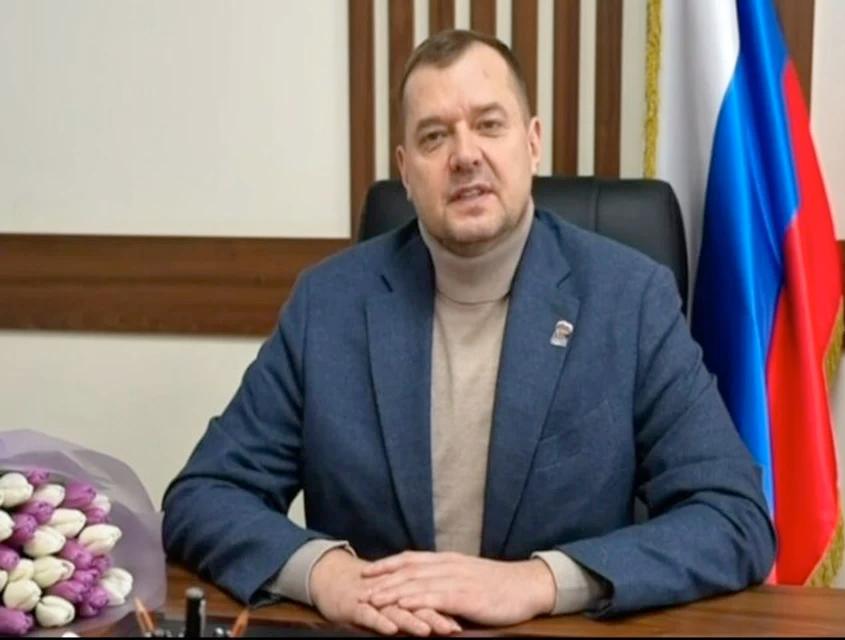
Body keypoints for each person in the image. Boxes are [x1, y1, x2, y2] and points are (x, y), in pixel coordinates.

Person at [162, 29, 775, 636]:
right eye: (434, 136)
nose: (464, 155)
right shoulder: (329, 305)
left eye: (489, 125)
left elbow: (733, 516)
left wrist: (539, 581)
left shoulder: (628, 300)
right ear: (405, 170)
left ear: (532, 143)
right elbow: (204, 494)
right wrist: (325, 574)